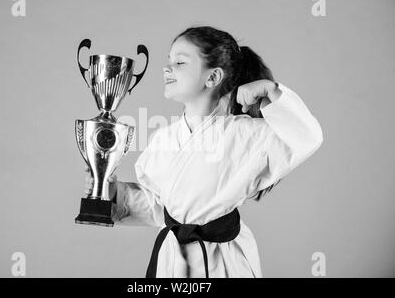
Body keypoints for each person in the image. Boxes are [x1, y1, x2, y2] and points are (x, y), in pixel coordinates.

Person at [84, 26, 323, 278]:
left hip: (222, 261)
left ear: (212, 77)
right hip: (173, 258)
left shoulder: (248, 135)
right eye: (168, 61)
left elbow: (306, 136)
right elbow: (163, 208)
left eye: (179, 62)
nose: (167, 68)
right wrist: (112, 193)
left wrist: (270, 91)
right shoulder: (163, 138)